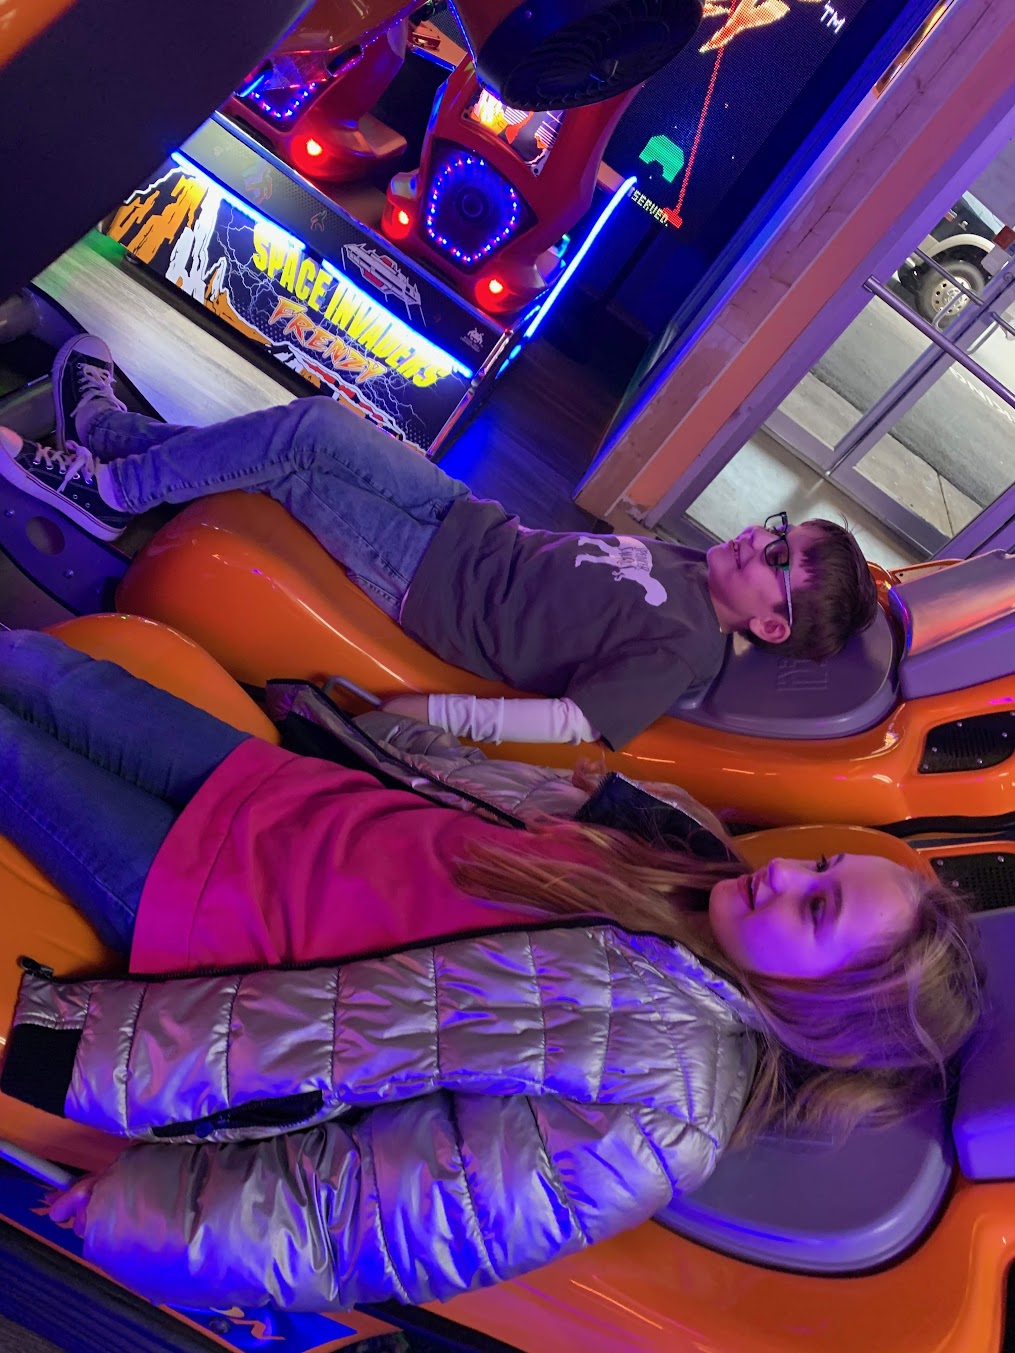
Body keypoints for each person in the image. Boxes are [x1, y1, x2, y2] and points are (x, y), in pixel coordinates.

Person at [0, 629, 982, 1314]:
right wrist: (360, 726)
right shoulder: (685, 842)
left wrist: (149, 1211)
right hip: (277, 792)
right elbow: (480, 795)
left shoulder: (660, 1113)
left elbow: (368, 1217)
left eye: (816, 908)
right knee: (39, 667)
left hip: (201, 901)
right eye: (820, 866)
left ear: (821, 1011)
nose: (786, 874)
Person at [0, 334, 879, 752]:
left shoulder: (682, 653)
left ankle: (108, 485)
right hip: (462, 520)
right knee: (315, 424)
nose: (755, 540)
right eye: (776, 530)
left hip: (427, 584)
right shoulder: (696, 571)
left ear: (770, 626)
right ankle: (108, 442)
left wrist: (433, 715)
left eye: (777, 561)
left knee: (291, 471)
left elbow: (572, 724)